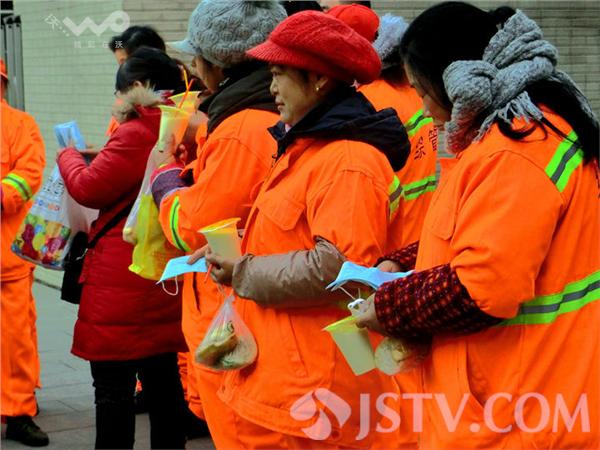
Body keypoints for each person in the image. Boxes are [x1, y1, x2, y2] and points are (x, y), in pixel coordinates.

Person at [357, 3, 600, 449]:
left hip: (519, 408)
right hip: (531, 392)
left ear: (453, 78)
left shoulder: (515, 148)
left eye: (422, 91)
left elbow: (482, 289)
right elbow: (486, 235)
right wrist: (407, 260)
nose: (424, 107)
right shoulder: (527, 125)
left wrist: (388, 307)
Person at [205, 11, 410, 448]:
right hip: (289, 384)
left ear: (318, 79)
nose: (271, 89)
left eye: (278, 74)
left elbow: (339, 269)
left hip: (315, 395)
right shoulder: (307, 147)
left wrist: (243, 271)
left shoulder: (347, 160)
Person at [152, 1, 287, 448]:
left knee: (238, 433)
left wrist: (165, 181)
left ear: (219, 64)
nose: (193, 68)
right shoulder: (257, 113)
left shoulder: (241, 127)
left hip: (230, 314)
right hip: (250, 306)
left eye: (197, 58)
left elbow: (195, 226)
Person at [56, 48, 188, 450]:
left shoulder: (136, 131)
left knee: (113, 388)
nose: (115, 99)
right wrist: (101, 156)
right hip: (161, 271)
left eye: (119, 89)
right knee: (163, 380)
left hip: (123, 276)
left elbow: (88, 188)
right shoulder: (177, 126)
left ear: (136, 86)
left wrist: (68, 157)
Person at [0, 58, 48, 447]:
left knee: (16, 339)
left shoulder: (19, 124)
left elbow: (29, 174)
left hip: (8, 259)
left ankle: (18, 410)